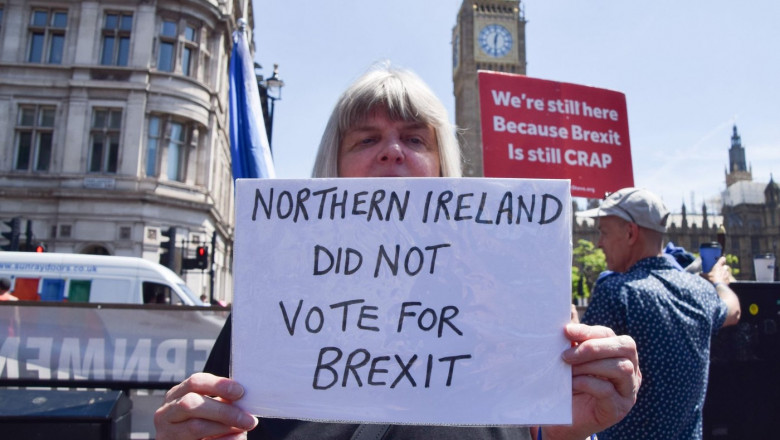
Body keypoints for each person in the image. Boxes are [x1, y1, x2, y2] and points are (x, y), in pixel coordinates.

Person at [155, 65, 641, 440]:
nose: (392, 152)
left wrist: (565, 431)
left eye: (413, 138)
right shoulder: (272, 309)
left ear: (442, 168)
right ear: (335, 170)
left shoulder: (509, 305)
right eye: (367, 139)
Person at [579, 187, 741, 440]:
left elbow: (575, 366)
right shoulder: (700, 289)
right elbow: (733, 311)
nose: (599, 242)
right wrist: (718, 282)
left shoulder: (617, 292)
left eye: (604, 232)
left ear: (631, 233)